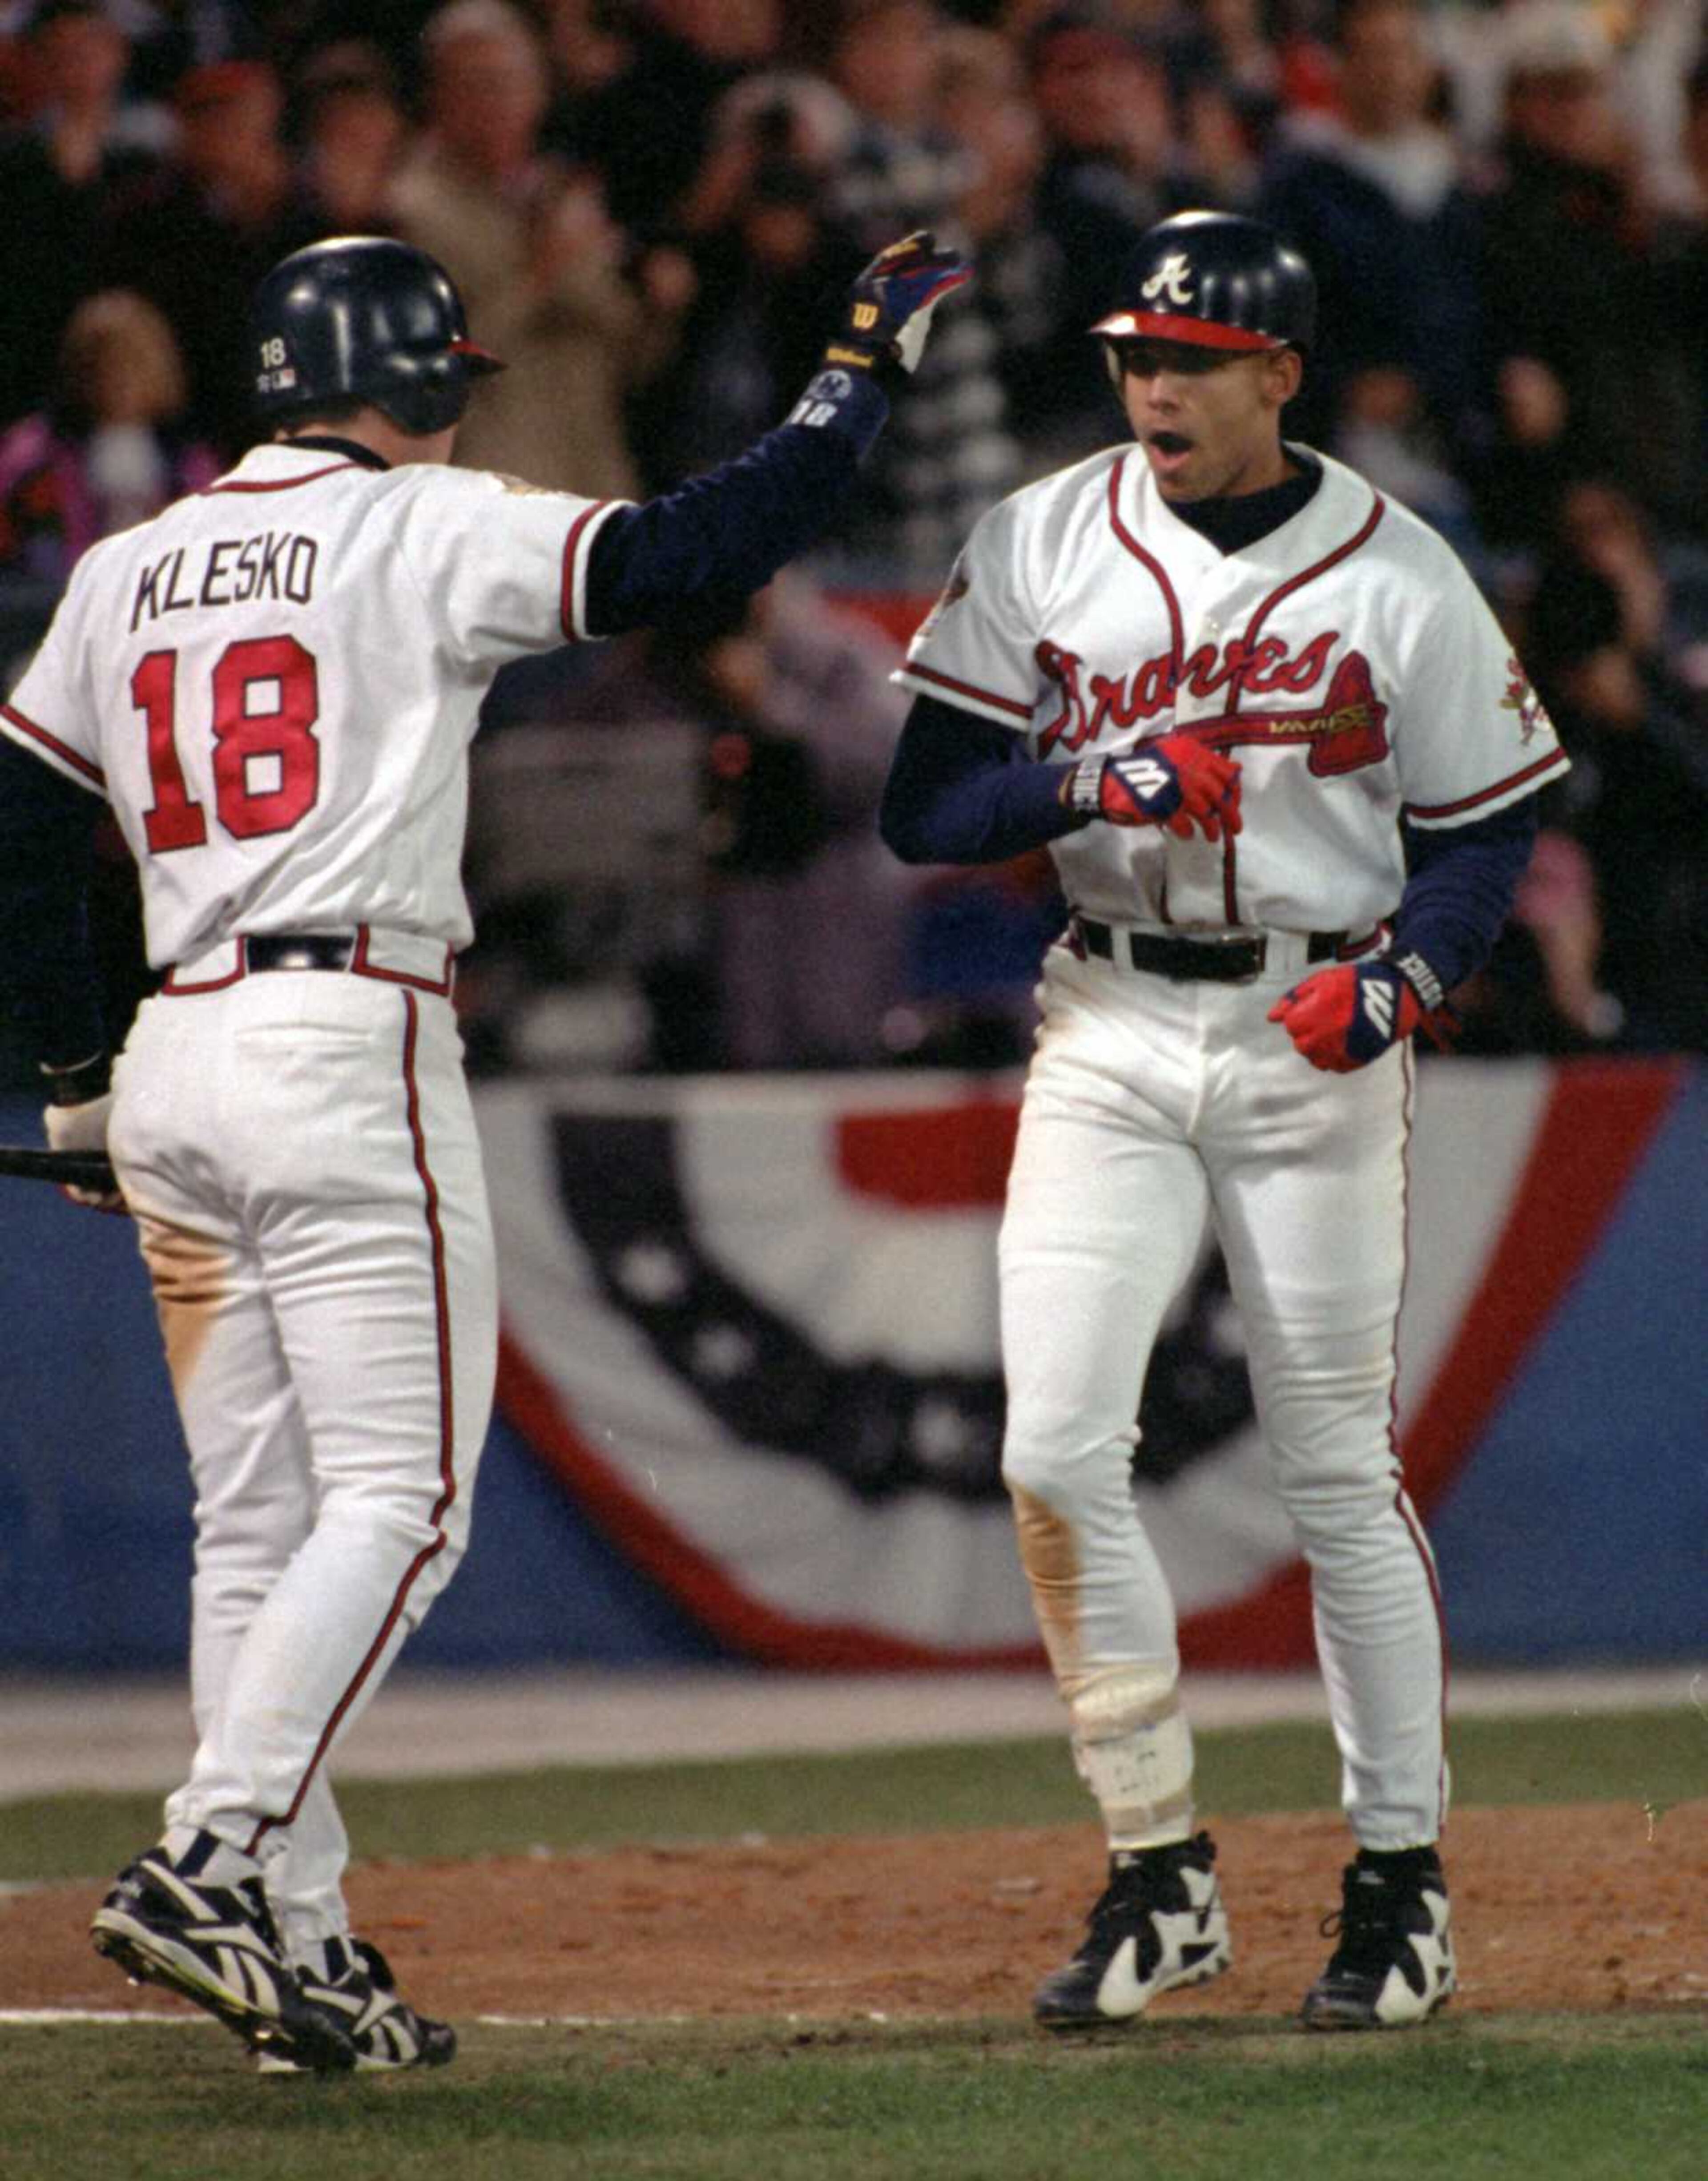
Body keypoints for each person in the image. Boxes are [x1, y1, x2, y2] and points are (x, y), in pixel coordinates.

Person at [0, 225, 968, 2074]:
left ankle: (299, 1945)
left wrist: (73, 1073)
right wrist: (858, 379)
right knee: (403, 1504)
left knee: (256, 1528)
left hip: (176, 1043)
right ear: (420, 379)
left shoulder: (128, 566)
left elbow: (23, 814)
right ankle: (212, 1855)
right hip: (343, 1031)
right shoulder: (417, 526)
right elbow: (694, 550)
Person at [879, 209, 1568, 2032]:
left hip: (1310, 1024)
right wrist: (1077, 774)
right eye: (1133, 355)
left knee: (1337, 1468)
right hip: (1104, 1013)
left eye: (1188, 360)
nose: (1151, 387)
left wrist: (1409, 979)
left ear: (1280, 373)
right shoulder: (1040, 532)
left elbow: (1488, 825)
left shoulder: (1397, 565)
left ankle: (1401, 1878)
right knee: (1051, 1447)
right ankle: (1157, 1863)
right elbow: (924, 805)